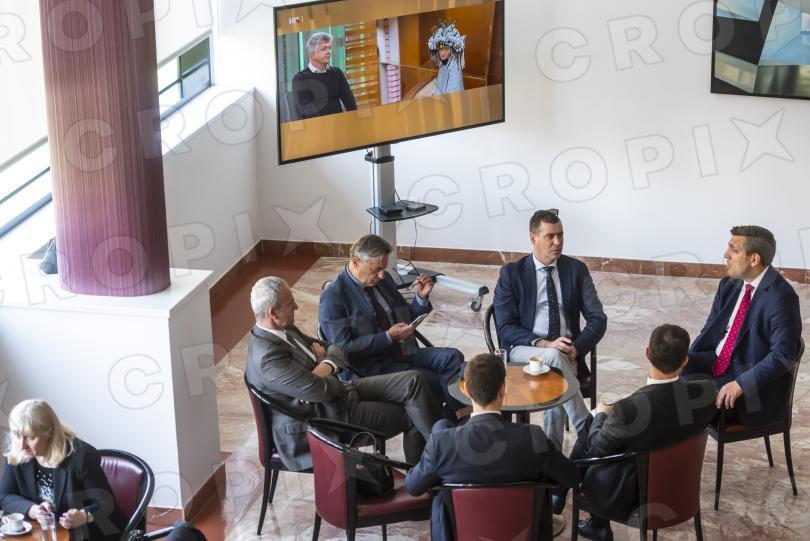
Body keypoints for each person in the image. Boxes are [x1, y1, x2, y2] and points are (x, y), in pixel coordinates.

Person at [245, 276, 442, 470]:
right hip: (325, 419)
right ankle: (427, 475)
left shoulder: (285, 329)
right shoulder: (267, 357)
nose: (296, 307)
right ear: (273, 313)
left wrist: (323, 367)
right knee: (413, 414)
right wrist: (326, 370)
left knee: (413, 380)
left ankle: (443, 452)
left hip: (341, 393)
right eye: (290, 303)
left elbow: (335, 348)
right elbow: (322, 391)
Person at [404, 353, 580, 541]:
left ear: (465, 389)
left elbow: (413, 487)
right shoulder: (533, 437)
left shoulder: (442, 443)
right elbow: (572, 477)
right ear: (503, 389)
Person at [572, 325, 717, 541]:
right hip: (681, 485)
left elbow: (595, 450)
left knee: (591, 423)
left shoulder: (627, 411)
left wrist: (601, 414)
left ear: (647, 353)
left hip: (636, 494)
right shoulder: (706, 391)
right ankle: (569, 502)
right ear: (685, 361)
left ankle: (582, 511)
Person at [318, 234, 467, 419]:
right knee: (437, 382)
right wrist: (387, 337)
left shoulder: (384, 280)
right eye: (377, 269)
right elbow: (343, 350)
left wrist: (421, 298)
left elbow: (404, 318)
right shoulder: (333, 297)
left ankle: (457, 417)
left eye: (384, 268)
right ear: (356, 262)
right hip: (373, 368)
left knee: (453, 357)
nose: (382, 275)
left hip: (403, 351)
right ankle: (445, 425)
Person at [493, 210, 607, 450]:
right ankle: (587, 430)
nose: (558, 242)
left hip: (567, 352)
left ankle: (551, 453)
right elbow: (505, 327)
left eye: (561, 235)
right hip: (524, 349)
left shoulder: (576, 270)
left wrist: (577, 348)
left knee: (555, 369)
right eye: (550, 236)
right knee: (554, 357)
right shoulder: (512, 273)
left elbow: (598, 318)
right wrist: (544, 344)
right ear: (533, 238)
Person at [684, 226, 802, 427]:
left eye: (734, 250)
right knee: (664, 377)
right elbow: (710, 330)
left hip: (748, 384)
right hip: (717, 361)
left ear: (754, 259)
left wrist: (741, 384)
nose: (725, 255)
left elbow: (782, 355)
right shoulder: (729, 284)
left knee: (679, 405)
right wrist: (685, 359)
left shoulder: (781, 297)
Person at [0, 400, 126, 541]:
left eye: (31, 437)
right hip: (46, 533)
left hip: (88, 532)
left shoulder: (81, 455)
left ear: (50, 432)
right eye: (17, 435)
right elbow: (5, 495)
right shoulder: (17, 451)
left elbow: (106, 503)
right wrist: (34, 510)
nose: (21, 445)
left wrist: (84, 516)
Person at [291, 32, 357, 119]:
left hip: (339, 123)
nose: (329, 51)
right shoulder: (300, 79)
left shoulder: (337, 73)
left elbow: (350, 102)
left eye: (330, 48)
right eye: (324, 49)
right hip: (316, 125)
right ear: (313, 54)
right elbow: (307, 113)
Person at [428, 21, 465, 95]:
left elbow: (453, 93)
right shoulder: (443, 63)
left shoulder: (454, 68)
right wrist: (434, 92)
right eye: (440, 49)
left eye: (446, 49)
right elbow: (439, 86)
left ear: (451, 50)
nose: (442, 53)